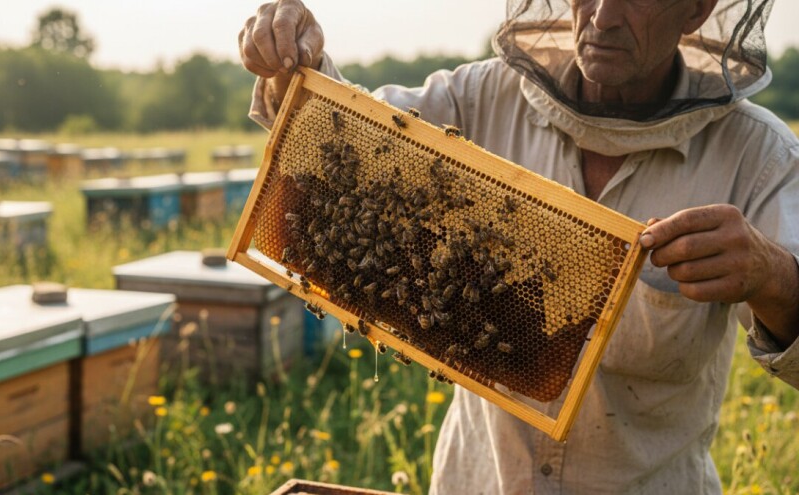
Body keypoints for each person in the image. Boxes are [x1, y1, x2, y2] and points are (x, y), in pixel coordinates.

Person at [238, 0, 799, 492]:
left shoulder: (757, 155)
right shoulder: (481, 98)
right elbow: (348, 136)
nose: (602, 16)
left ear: (695, 9)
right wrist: (295, 65)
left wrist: (774, 276)